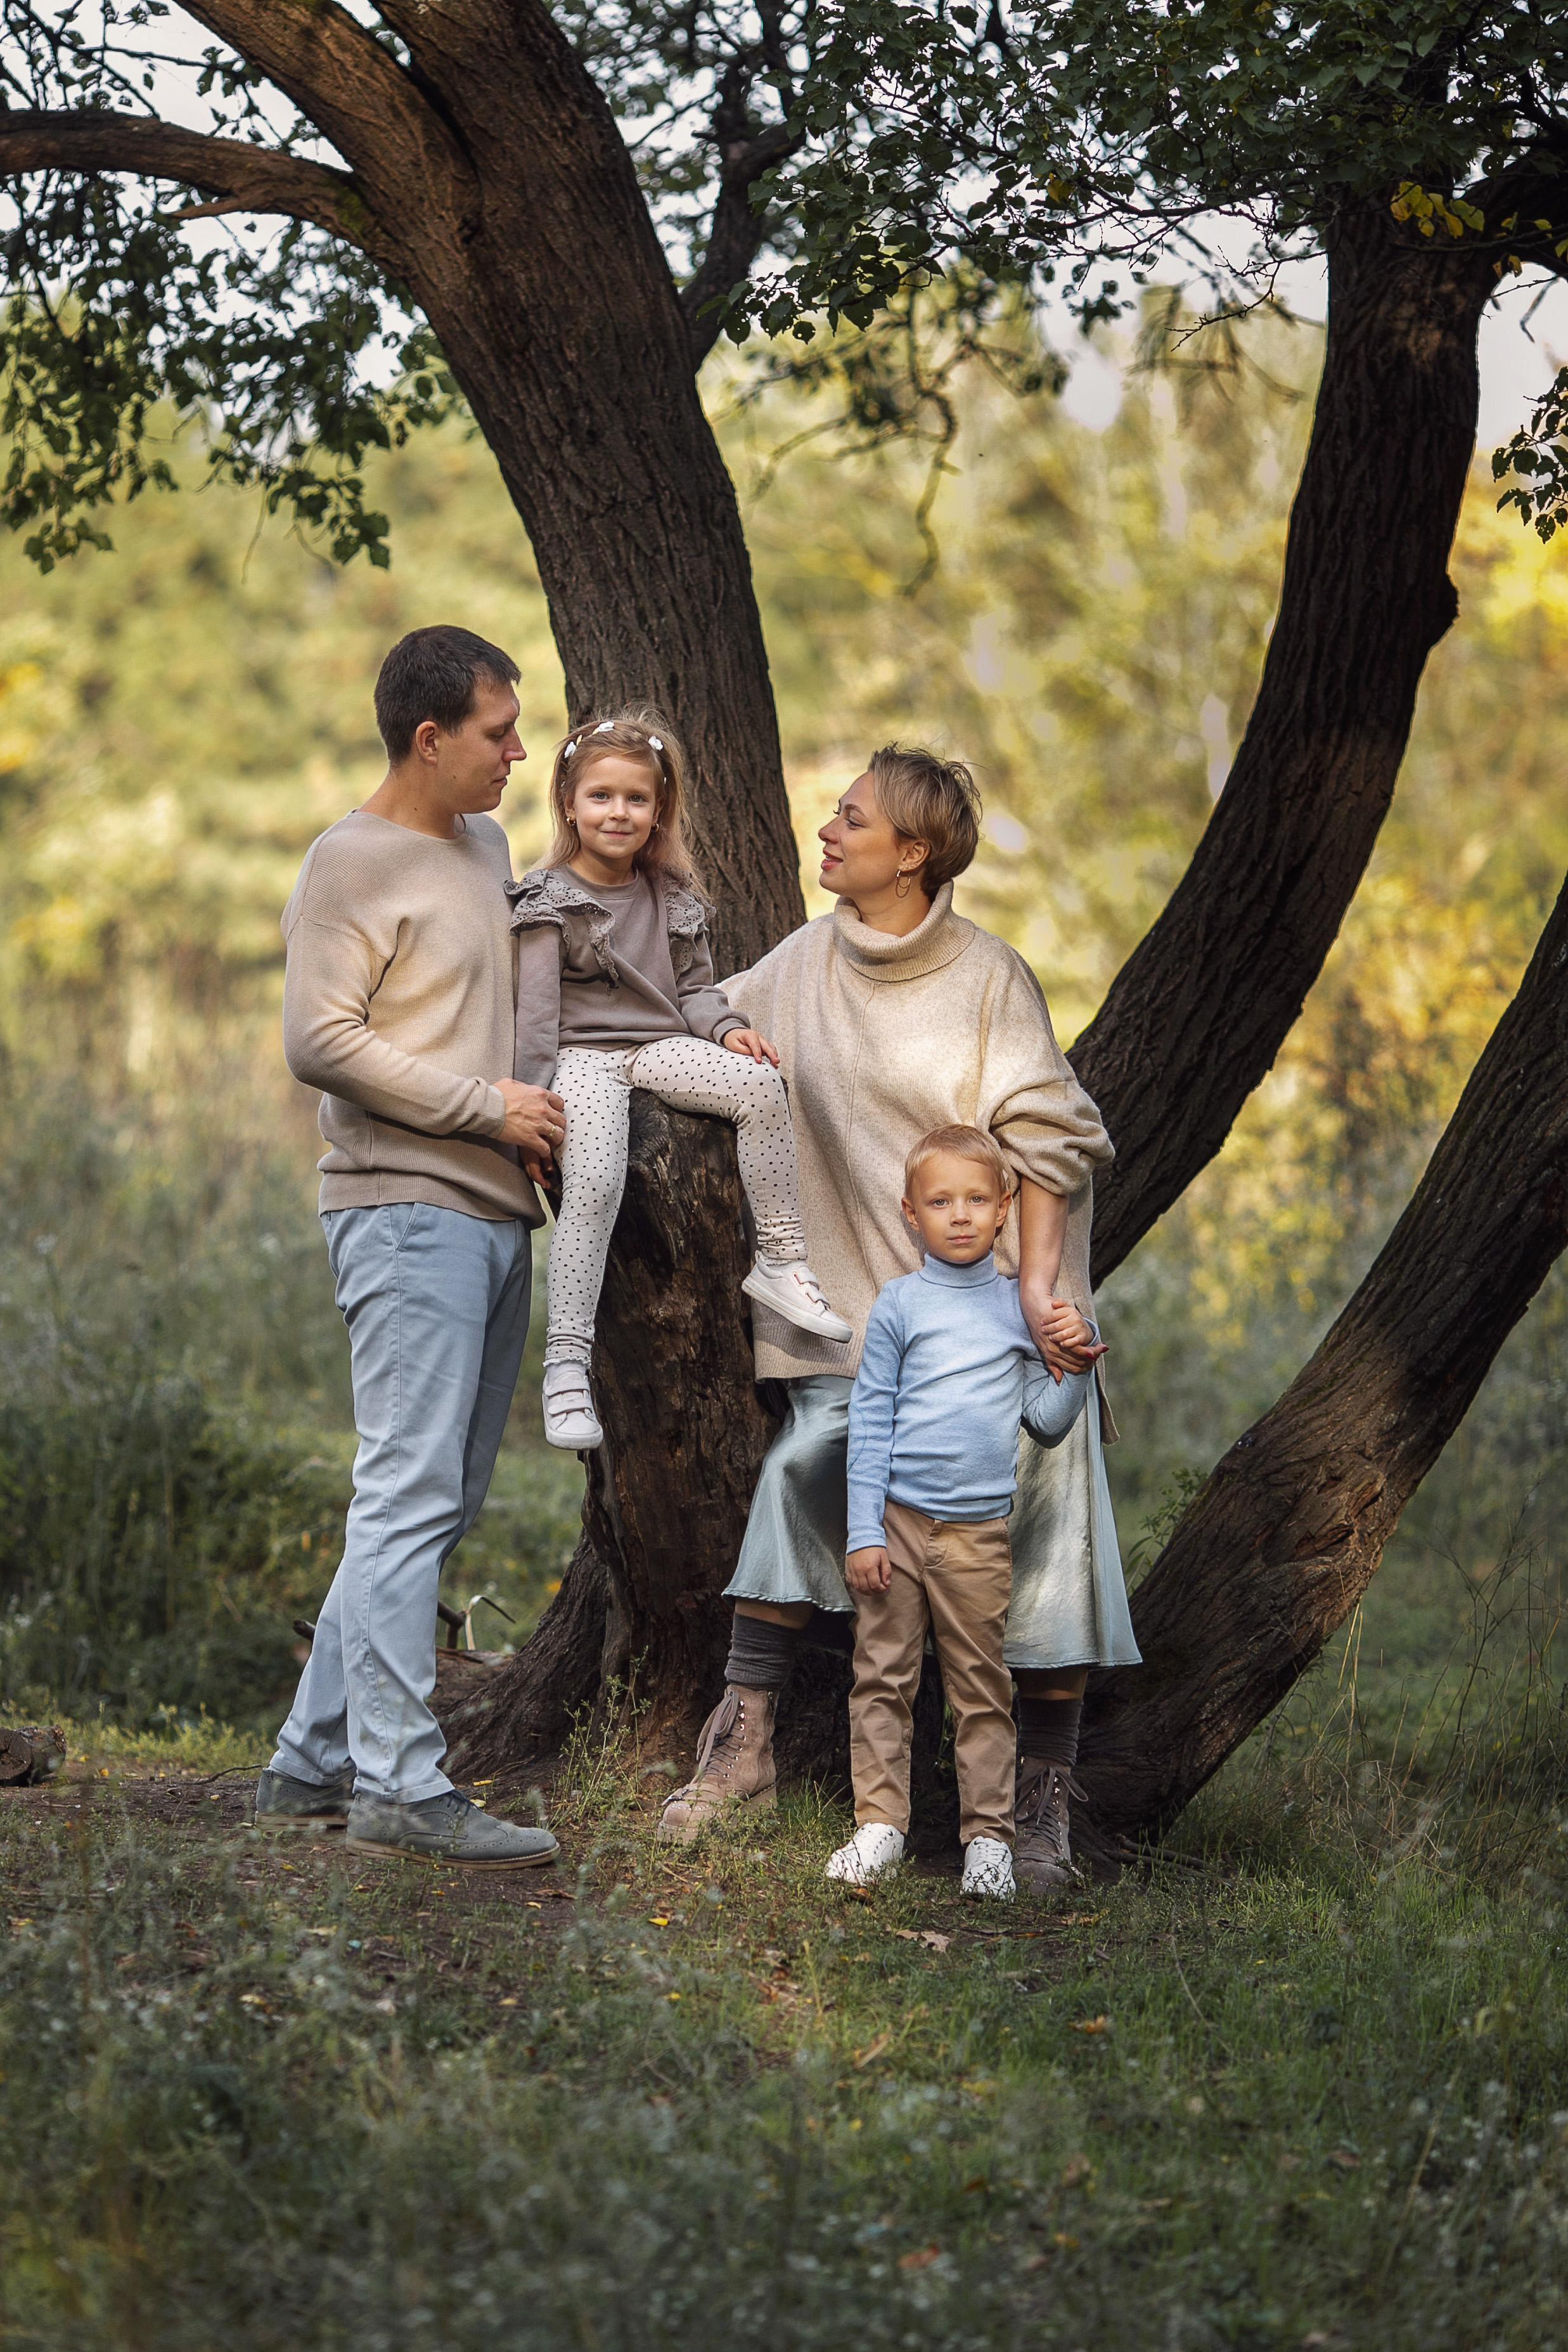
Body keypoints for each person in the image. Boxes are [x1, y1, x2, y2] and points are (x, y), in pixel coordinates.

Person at [657, 744, 1141, 1887]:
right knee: (804, 1462)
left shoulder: (986, 979)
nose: (826, 833)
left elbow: (1056, 1138)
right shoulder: (805, 960)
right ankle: (743, 1746)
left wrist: (1033, 1298)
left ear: (911, 852)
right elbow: (705, 1016)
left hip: (997, 1326)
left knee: (1054, 1486)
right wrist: (726, 1040)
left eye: (851, 819)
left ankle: (1039, 1798)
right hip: (864, 1329)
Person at [254, 627, 565, 1870]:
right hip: (401, 1210)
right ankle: (396, 1783)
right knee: (406, 1492)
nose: (518, 751)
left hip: (493, 1212)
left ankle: (309, 1762)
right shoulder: (348, 861)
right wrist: (485, 1106)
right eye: (498, 731)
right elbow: (320, 1039)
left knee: (437, 1498)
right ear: (429, 739)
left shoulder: (484, 846)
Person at [509, 711, 851, 1451]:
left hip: (659, 1045)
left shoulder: (669, 894)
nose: (618, 812)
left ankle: (783, 1263)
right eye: (600, 796)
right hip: (580, 1058)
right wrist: (534, 1113)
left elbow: (695, 990)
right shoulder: (546, 898)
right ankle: (566, 1362)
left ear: (658, 809)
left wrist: (728, 1031)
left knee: (759, 1086)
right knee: (595, 1183)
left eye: (636, 798)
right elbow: (535, 1019)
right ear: (568, 801)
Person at [829, 1125, 1094, 1904]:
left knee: (980, 1689)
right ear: (909, 1212)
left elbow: (1044, 1420)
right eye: (940, 1201)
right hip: (899, 1527)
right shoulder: (899, 1304)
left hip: (977, 1535)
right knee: (881, 1676)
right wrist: (864, 1530)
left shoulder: (1020, 1308)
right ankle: (880, 1823)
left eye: (977, 1199)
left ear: (1006, 1208)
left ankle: (988, 1840)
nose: (959, 1215)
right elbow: (869, 1420)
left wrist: (1075, 1365)